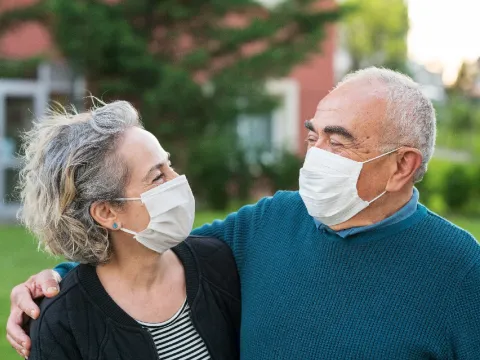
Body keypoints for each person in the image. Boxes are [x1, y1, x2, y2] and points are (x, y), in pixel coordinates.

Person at [8, 67, 480, 359]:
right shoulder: (268, 224)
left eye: (339, 142)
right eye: (314, 136)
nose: (316, 155)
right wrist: (55, 279)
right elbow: (146, 253)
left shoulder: (462, 271)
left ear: (402, 166)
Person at [8, 100, 240, 359]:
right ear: (107, 213)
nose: (178, 181)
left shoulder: (218, 264)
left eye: (169, 165)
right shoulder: (62, 321)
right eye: (158, 177)